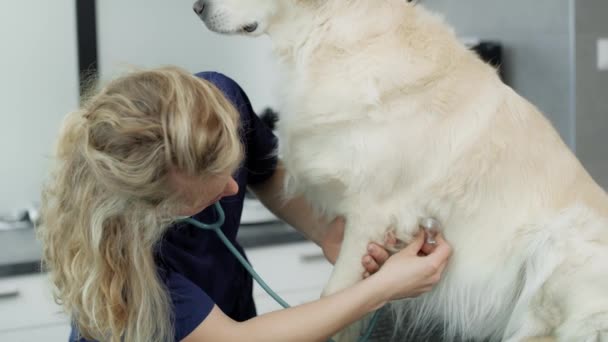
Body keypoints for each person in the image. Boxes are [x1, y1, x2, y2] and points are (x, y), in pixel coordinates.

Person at [38, 66, 452, 342]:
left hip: (233, 310)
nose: (232, 189)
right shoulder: (125, 276)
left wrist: (328, 233)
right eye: (206, 191)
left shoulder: (217, 103)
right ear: (155, 209)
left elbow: (264, 170)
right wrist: (383, 289)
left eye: (228, 166)